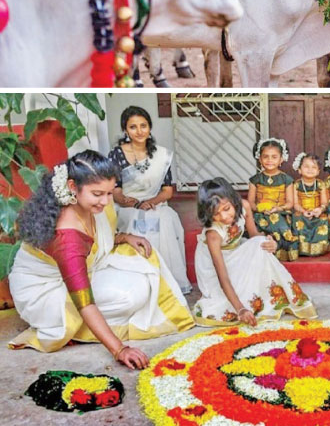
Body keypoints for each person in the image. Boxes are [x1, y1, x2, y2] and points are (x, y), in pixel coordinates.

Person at [9, 151, 194, 365]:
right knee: (130, 297)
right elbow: (85, 304)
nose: (105, 202)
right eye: (97, 194)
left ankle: (98, 323)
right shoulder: (67, 237)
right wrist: (120, 350)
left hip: (80, 271)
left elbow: (94, 240)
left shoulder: (82, 204)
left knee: (142, 268)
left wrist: (124, 237)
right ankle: (73, 328)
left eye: (108, 193)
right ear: (71, 187)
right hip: (43, 292)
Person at [193, 177, 316, 325]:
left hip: (235, 254)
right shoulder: (213, 234)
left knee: (261, 243)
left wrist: (272, 244)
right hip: (214, 269)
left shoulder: (244, 206)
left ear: (233, 200)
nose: (224, 217)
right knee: (227, 307)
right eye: (216, 214)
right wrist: (240, 309)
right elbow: (222, 276)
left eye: (226, 209)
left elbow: (255, 236)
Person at [108, 105, 191, 294]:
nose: (139, 131)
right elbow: (116, 191)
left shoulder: (161, 155)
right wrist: (135, 203)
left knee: (165, 217)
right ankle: (140, 281)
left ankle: (168, 281)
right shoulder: (116, 154)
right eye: (133, 127)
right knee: (133, 220)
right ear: (125, 130)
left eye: (143, 125)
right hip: (127, 205)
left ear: (150, 127)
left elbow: (167, 191)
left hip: (155, 202)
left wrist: (151, 202)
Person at [247, 137, 298, 262]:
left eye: (274, 157)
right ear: (260, 159)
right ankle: (266, 244)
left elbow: (290, 203)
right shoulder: (255, 180)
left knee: (277, 220)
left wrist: (278, 208)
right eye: (266, 156)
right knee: (258, 223)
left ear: (281, 159)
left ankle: (277, 246)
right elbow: (250, 203)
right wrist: (259, 208)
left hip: (280, 211)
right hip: (261, 213)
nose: (269, 160)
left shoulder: (287, 179)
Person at [292, 152, 330, 256]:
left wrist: (319, 210)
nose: (310, 169)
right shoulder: (296, 185)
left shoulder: (321, 184)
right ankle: (303, 248)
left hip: (316, 211)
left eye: (314, 167)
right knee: (297, 218)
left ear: (318, 171)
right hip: (302, 211)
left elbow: (324, 203)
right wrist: (303, 211)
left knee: (323, 219)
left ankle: (318, 248)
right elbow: (295, 204)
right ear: (299, 169)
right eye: (306, 166)